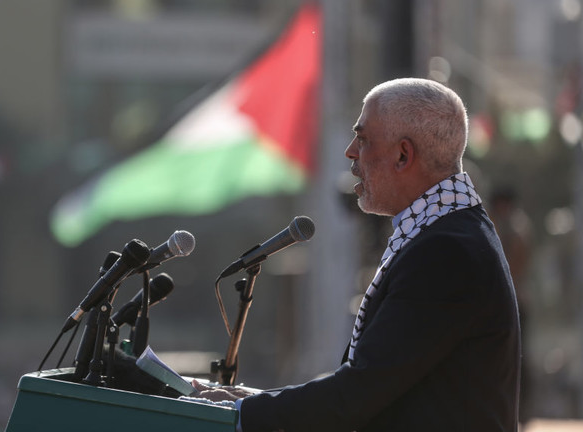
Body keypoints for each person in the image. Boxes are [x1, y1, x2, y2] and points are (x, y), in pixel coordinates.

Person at [193, 78, 521, 431]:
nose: (350, 151)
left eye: (363, 139)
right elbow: (375, 389)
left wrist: (245, 412)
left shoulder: (446, 252)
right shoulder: (450, 231)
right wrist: (250, 402)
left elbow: (359, 393)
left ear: (402, 155)